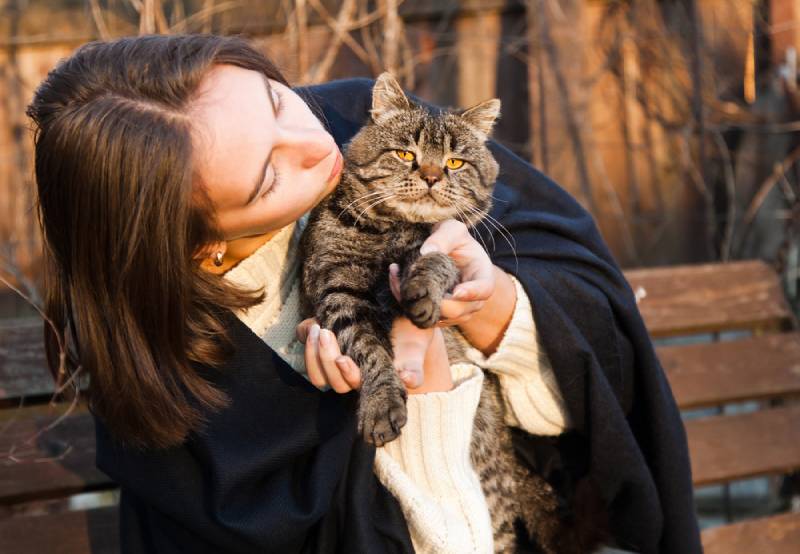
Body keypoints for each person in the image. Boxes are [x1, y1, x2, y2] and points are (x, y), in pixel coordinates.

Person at [27, 34, 701, 553]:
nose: (314, 144)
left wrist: (498, 311)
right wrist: (420, 386)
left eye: (276, 100)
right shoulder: (174, 372)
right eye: (267, 177)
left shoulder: (363, 117)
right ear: (201, 247)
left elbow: (587, 294)